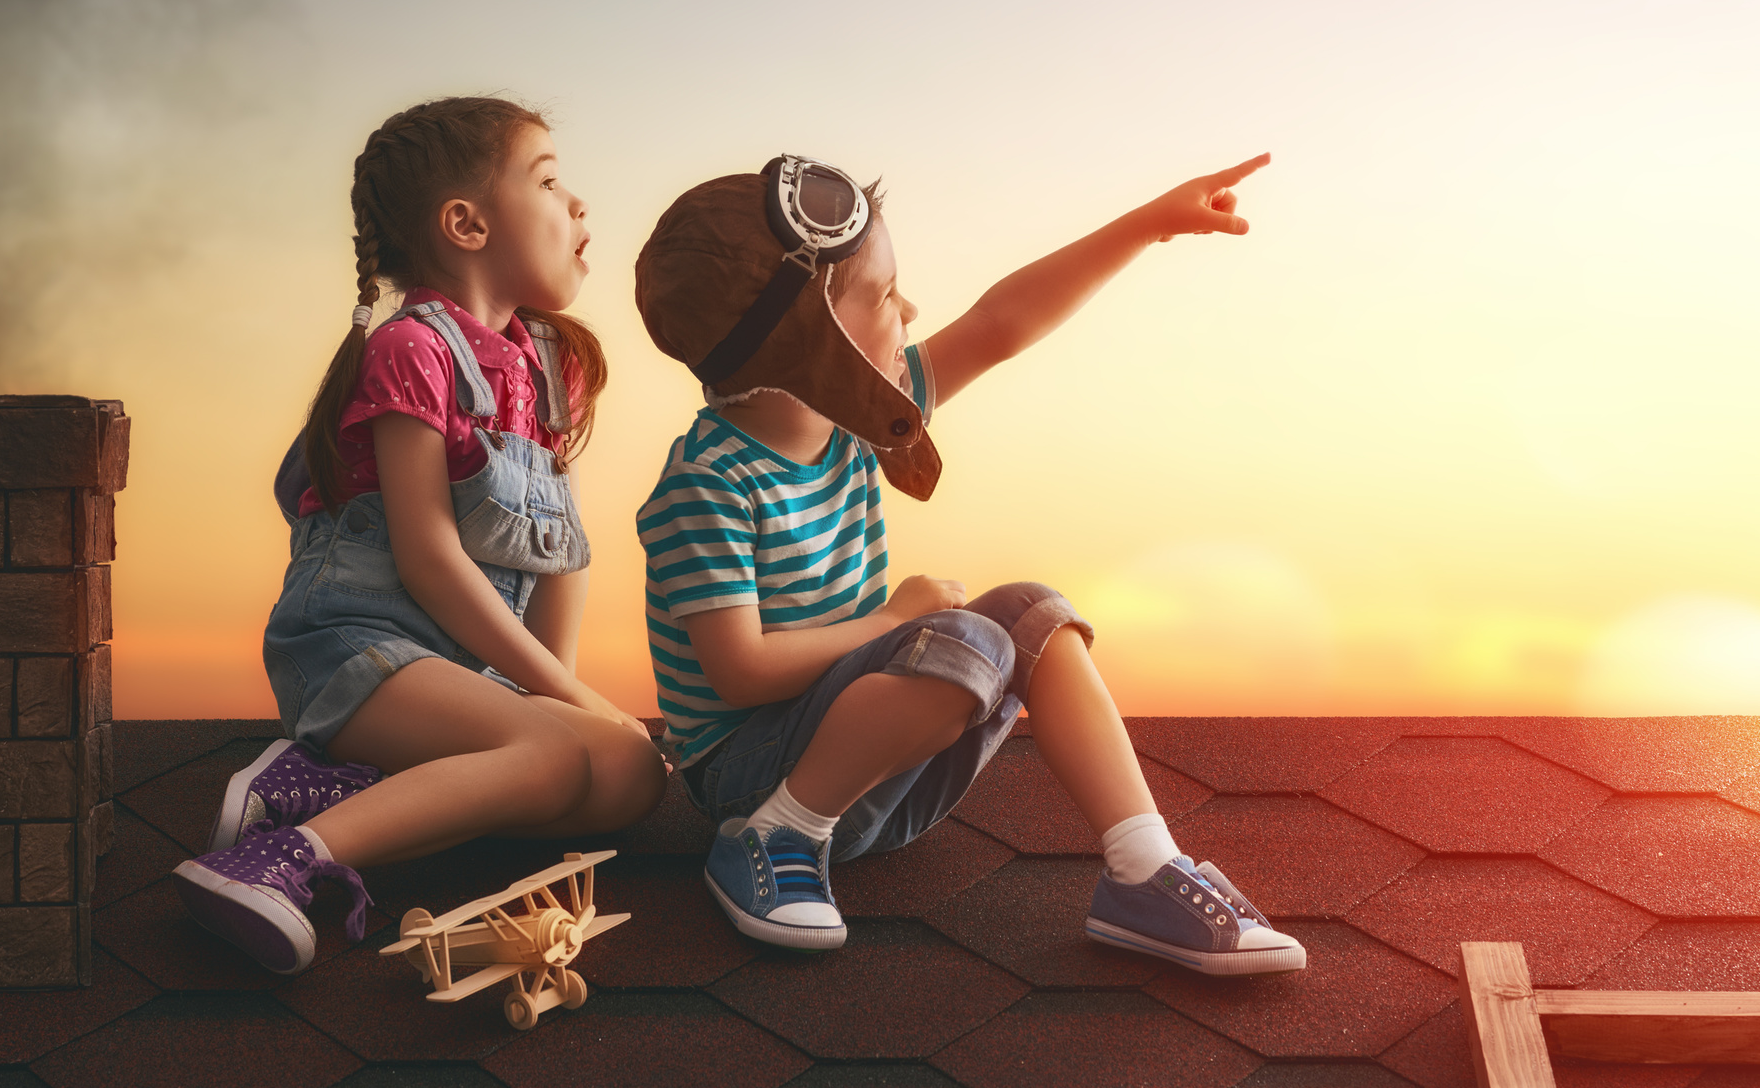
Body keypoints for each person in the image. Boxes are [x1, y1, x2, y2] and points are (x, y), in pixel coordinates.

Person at [633, 152, 1303, 974]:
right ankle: (773, 843)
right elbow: (739, 673)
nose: (908, 309)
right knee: (967, 643)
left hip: (877, 778)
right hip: (750, 780)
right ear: (811, 341)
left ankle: (1143, 866)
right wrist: (889, 621)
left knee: (1033, 613)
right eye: (882, 296)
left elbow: (998, 324)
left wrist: (1148, 224)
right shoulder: (707, 485)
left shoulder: (858, 410)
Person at [173, 96, 667, 973]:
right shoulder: (413, 350)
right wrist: (565, 710)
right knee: (560, 752)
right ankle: (283, 861)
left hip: (466, 673)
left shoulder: (555, 367)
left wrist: (563, 697)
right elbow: (430, 559)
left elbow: (561, 555)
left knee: (633, 776)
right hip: (359, 650)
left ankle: (324, 791)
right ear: (466, 224)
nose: (580, 204)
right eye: (550, 181)